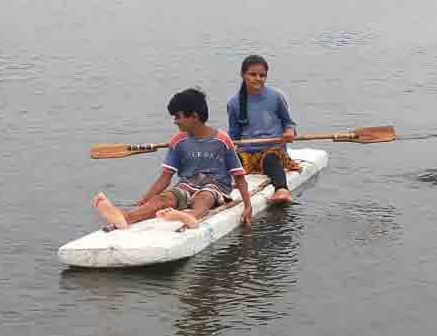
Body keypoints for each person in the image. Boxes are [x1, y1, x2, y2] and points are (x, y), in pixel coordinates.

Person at [93, 88, 252, 232]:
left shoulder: (223, 140)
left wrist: (248, 205)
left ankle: (192, 217)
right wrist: (146, 200)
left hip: (216, 187)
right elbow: (165, 178)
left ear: (194, 116)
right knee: (161, 199)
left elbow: (238, 176)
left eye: (178, 117)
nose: (175, 121)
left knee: (205, 196)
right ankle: (125, 218)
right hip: (187, 185)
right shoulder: (178, 141)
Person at [227, 55, 299, 205]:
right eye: (252, 74)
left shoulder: (276, 97)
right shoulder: (234, 103)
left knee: (270, 160)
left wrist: (289, 132)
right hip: (247, 151)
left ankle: (281, 190)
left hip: (272, 149)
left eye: (262, 75)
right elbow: (234, 134)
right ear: (243, 75)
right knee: (229, 162)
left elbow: (288, 123)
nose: (258, 79)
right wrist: (229, 146)